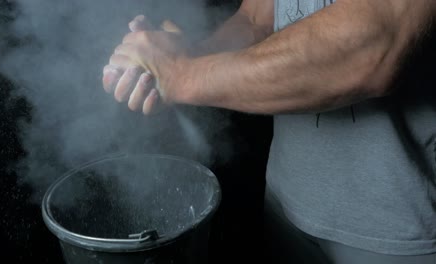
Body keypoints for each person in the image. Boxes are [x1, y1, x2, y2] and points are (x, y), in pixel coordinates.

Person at [102, 0, 436, 263]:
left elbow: (379, 43)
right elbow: (257, 19)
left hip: (402, 226)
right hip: (287, 205)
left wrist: (183, 74)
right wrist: (185, 56)